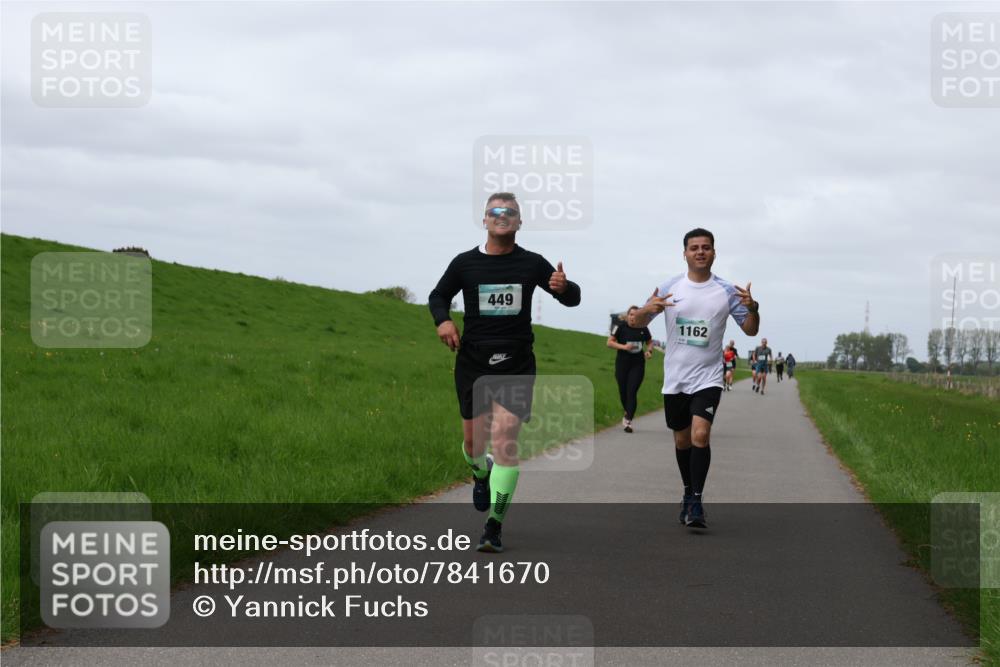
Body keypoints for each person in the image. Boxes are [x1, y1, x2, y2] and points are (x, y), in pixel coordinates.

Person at [428, 192, 581, 553]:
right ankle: (480, 472)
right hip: (473, 363)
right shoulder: (465, 264)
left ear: (518, 222)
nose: (502, 216)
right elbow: (438, 296)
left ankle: (493, 525)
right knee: (474, 445)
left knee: (505, 441)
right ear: (485, 220)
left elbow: (572, 298)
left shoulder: (531, 263)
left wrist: (565, 287)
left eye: (510, 212)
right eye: (495, 211)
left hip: (515, 364)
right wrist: (444, 321)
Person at [629, 228, 759, 529]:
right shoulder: (669, 286)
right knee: (682, 440)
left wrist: (753, 308)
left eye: (706, 247)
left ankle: (697, 501)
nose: (700, 252)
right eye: (694, 247)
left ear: (714, 253)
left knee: (700, 435)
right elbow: (636, 321)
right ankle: (688, 491)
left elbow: (751, 329)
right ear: (685, 253)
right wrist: (650, 308)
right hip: (676, 379)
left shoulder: (727, 292)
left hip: (708, 378)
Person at [608, 306, 653, 432]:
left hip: (637, 364)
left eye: (636, 315)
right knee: (623, 392)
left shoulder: (643, 329)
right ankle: (627, 412)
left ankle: (628, 421)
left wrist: (649, 351)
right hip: (622, 364)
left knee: (631, 391)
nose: (633, 317)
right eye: (631, 314)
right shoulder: (620, 327)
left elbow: (649, 342)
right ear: (628, 315)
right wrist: (624, 347)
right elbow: (609, 343)